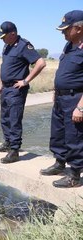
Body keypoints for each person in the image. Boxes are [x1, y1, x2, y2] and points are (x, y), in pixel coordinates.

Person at [40, 10, 83, 188]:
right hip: (61, 98)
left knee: (75, 137)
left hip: (76, 98)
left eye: (66, 29)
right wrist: (56, 91)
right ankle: (59, 164)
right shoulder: (69, 46)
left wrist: (81, 107)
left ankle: (74, 175)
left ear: (79, 28)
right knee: (57, 134)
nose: (63, 32)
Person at [0, 21, 46, 163]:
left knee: (14, 119)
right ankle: (8, 143)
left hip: (17, 89)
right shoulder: (7, 46)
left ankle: (14, 151)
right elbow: (6, 67)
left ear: (13, 33)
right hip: (6, 88)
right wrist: (1, 83)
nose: (2, 39)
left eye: (4, 36)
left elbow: (41, 63)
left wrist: (25, 81)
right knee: (5, 118)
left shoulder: (23, 46)